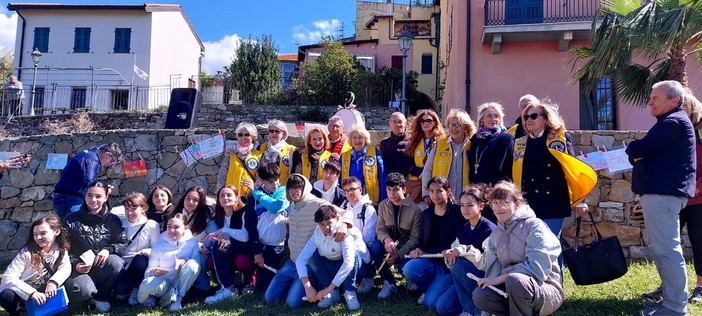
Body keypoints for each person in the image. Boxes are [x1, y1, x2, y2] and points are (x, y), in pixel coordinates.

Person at [627, 80, 694, 316]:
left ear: (674, 100)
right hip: (662, 195)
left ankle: (675, 308)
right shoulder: (671, 123)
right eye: (650, 97)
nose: (650, 101)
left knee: (667, 250)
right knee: (664, 249)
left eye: (656, 97)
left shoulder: (673, 123)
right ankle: (670, 302)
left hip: (663, 196)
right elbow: (643, 151)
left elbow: (637, 149)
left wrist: (636, 151)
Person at [472, 181, 563, 316]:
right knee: (481, 294)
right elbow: (493, 273)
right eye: (495, 203)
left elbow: (537, 268)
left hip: (544, 287)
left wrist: (500, 279)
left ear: (518, 204)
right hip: (511, 288)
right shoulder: (495, 235)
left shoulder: (535, 226)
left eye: (505, 202)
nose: (499, 207)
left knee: (516, 281)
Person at [264, 174, 352, 308]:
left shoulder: (317, 203)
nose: (294, 191)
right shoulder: (292, 205)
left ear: (305, 187)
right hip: (292, 262)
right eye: (291, 188)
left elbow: (346, 213)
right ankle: (296, 286)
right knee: (270, 298)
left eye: (298, 187)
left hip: (309, 264)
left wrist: (344, 225)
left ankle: (315, 285)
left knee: (292, 304)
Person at [513, 102, 591, 240]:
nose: (528, 120)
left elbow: (571, 169)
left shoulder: (558, 139)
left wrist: (581, 201)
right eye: (526, 117)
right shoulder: (520, 143)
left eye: (533, 116)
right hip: (529, 202)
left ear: (546, 118)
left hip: (553, 201)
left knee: (550, 242)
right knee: (532, 243)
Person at [62, 181, 128, 313]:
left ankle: (101, 297)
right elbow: (61, 248)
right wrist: (75, 264)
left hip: (103, 267)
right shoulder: (70, 219)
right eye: (89, 195)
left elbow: (122, 243)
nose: (93, 200)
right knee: (83, 291)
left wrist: (107, 250)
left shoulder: (112, 219)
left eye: (98, 196)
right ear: (85, 196)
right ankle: (87, 295)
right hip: (79, 270)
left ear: (106, 198)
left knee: (116, 262)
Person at [403, 176, 465, 311]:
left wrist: (428, 253)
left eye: (439, 191)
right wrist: (419, 250)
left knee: (431, 303)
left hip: (450, 265)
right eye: (431, 191)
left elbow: (457, 243)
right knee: (409, 268)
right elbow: (423, 242)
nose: (434, 195)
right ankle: (431, 288)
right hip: (432, 261)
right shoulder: (426, 214)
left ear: (449, 192)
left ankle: (448, 289)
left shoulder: (458, 213)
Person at [0, 215, 72, 316]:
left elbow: (65, 268)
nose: (38, 237)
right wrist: (32, 293)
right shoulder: (25, 253)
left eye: (43, 233)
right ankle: (20, 312)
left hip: (45, 289)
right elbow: (8, 278)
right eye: (35, 234)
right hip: (24, 293)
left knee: (69, 282)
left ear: (56, 231)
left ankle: (56, 309)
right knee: (6, 295)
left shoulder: (61, 250)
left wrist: (53, 282)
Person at [441, 185, 496, 316]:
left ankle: (474, 311)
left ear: (481, 206)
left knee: (458, 263)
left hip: (486, 280)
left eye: (470, 205)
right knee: (443, 308)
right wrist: (448, 254)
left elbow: (487, 265)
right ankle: (468, 305)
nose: (465, 209)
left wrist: (463, 251)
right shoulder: (462, 228)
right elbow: (454, 254)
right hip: (465, 278)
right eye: (462, 205)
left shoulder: (490, 230)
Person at [297, 205, 363, 311]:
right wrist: (308, 287)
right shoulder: (317, 233)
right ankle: (333, 292)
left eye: (329, 223)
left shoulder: (344, 232)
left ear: (337, 219)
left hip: (357, 268)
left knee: (352, 258)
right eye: (322, 224)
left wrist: (327, 290)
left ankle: (349, 291)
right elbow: (300, 259)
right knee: (312, 256)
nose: (326, 228)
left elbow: (349, 263)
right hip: (332, 265)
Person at [371, 172, 423, 299]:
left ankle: (410, 278)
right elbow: (380, 228)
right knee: (376, 247)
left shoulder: (415, 210)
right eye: (389, 190)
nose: (392, 194)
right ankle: (389, 283)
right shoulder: (383, 205)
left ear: (404, 189)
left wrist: (398, 256)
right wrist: (386, 239)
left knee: (404, 268)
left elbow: (415, 239)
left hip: (406, 249)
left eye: (396, 190)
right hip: (389, 246)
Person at [204, 185, 259, 304]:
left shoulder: (244, 211)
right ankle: (227, 287)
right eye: (222, 195)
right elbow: (223, 236)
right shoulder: (220, 216)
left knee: (239, 259)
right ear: (218, 200)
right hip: (230, 249)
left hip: (247, 249)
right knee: (215, 252)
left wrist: (224, 231)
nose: (225, 198)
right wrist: (223, 235)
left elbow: (246, 236)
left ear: (236, 197)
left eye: (229, 195)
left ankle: (248, 281)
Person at [137, 213, 200, 312]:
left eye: (176, 227)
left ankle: (177, 299)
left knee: (192, 265)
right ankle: (150, 297)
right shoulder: (158, 245)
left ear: (185, 228)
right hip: (163, 283)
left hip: (179, 283)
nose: (171, 231)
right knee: (148, 284)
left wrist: (186, 261)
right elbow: (148, 270)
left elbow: (196, 267)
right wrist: (153, 271)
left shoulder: (192, 244)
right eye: (169, 227)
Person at [113, 192, 161, 305]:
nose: (129, 212)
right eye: (127, 208)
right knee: (120, 289)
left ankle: (137, 289)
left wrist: (148, 251)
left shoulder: (152, 225)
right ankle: (126, 288)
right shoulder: (119, 223)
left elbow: (156, 247)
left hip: (140, 263)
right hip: (123, 264)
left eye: (134, 208)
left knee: (141, 260)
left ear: (144, 208)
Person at [167, 186, 217, 292]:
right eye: (188, 198)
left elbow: (213, 237)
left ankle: (202, 286)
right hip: (177, 250)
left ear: (201, 202)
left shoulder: (206, 218)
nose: (190, 202)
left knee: (198, 259)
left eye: (195, 200)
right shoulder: (175, 216)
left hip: (200, 251)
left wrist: (201, 244)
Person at [54, 143, 122, 219]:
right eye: (112, 160)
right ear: (107, 154)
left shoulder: (88, 155)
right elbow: (89, 182)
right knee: (74, 227)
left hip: (66, 197)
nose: (110, 163)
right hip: (70, 198)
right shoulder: (91, 159)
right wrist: (103, 191)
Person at [251, 163, 290, 292]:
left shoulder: (283, 191)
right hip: (258, 243)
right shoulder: (253, 198)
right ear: (261, 181)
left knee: (270, 284)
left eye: (277, 180)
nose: (275, 184)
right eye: (270, 181)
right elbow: (249, 224)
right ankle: (249, 281)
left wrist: (259, 195)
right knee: (262, 284)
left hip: (276, 244)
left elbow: (275, 207)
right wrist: (257, 251)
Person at [422, 109, 476, 203]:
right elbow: (427, 170)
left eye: (458, 125)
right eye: (451, 125)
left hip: (465, 199)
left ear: (465, 127)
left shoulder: (472, 145)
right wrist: (427, 194)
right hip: (441, 198)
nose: (454, 128)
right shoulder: (439, 145)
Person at [679, 90, 702, 304]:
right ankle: (670, 284)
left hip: (698, 200)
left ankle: (700, 287)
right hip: (674, 198)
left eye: (682, 105)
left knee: (699, 242)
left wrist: (699, 186)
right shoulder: (675, 128)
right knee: (669, 243)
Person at [340, 176, 377, 293]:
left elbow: (369, 236)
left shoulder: (368, 209)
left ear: (360, 190)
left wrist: (351, 245)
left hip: (362, 248)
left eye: (352, 189)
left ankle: (368, 276)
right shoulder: (343, 207)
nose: (349, 193)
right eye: (346, 191)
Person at [405, 109, 447, 205]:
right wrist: (420, 172)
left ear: (435, 122)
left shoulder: (443, 141)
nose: (425, 123)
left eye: (429, 121)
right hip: (418, 186)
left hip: (437, 184)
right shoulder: (414, 141)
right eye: (422, 121)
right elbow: (408, 163)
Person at [467, 102, 514, 186]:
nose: (493, 119)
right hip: (476, 188)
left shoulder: (506, 139)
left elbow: (510, 167)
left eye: (496, 116)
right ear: (482, 119)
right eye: (489, 116)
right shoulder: (475, 139)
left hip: (496, 189)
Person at [341, 124, 387, 205]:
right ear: (351, 140)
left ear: (365, 139)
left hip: (370, 198)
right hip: (350, 199)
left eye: (360, 137)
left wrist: (382, 200)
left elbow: (382, 177)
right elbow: (338, 178)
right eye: (354, 138)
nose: (357, 140)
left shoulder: (374, 153)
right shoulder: (344, 155)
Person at [217, 122, 262, 196]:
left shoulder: (259, 156)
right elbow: (222, 176)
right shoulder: (230, 154)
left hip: (249, 197)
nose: (243, 137)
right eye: (240, 135)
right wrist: (221, 194)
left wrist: (254, 189)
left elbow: (260, 178)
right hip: (230, 197)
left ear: (253, 137)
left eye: (247, 135)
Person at [259, 119, 296, 184]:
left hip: (283, 188)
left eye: (277, 131)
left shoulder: (292, 150)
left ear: (283, 133)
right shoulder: (261, 148)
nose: (274, 133)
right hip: (265, 188)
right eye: (271, 131)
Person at [379, 112, 412, 177]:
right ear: (390, 124)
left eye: (400, 122)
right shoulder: (384, 143)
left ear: (405, 123)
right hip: (390, 183)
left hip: (408, 182)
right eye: (394, 122)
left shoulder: (412, 142)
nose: (398, 124)